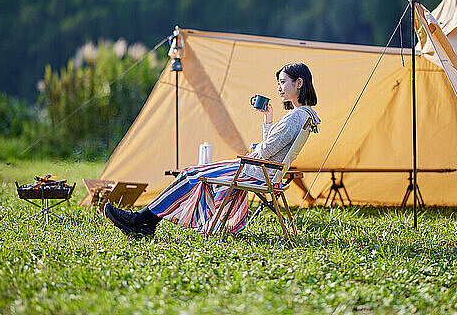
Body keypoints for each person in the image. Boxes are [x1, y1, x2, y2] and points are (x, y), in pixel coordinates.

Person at [104, 63, 321, 238]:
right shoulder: (304, 116)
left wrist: (255, 147)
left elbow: (265, 151)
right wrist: (268, 118)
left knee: (190, 174)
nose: (279, 88)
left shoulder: (295, 117)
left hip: (254, 172)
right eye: (278, 83)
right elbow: (273, 149)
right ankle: (146, 221)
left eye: (283, 82)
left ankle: (140, 220)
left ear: (299, 83)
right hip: (262, 171)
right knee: (192, 173)